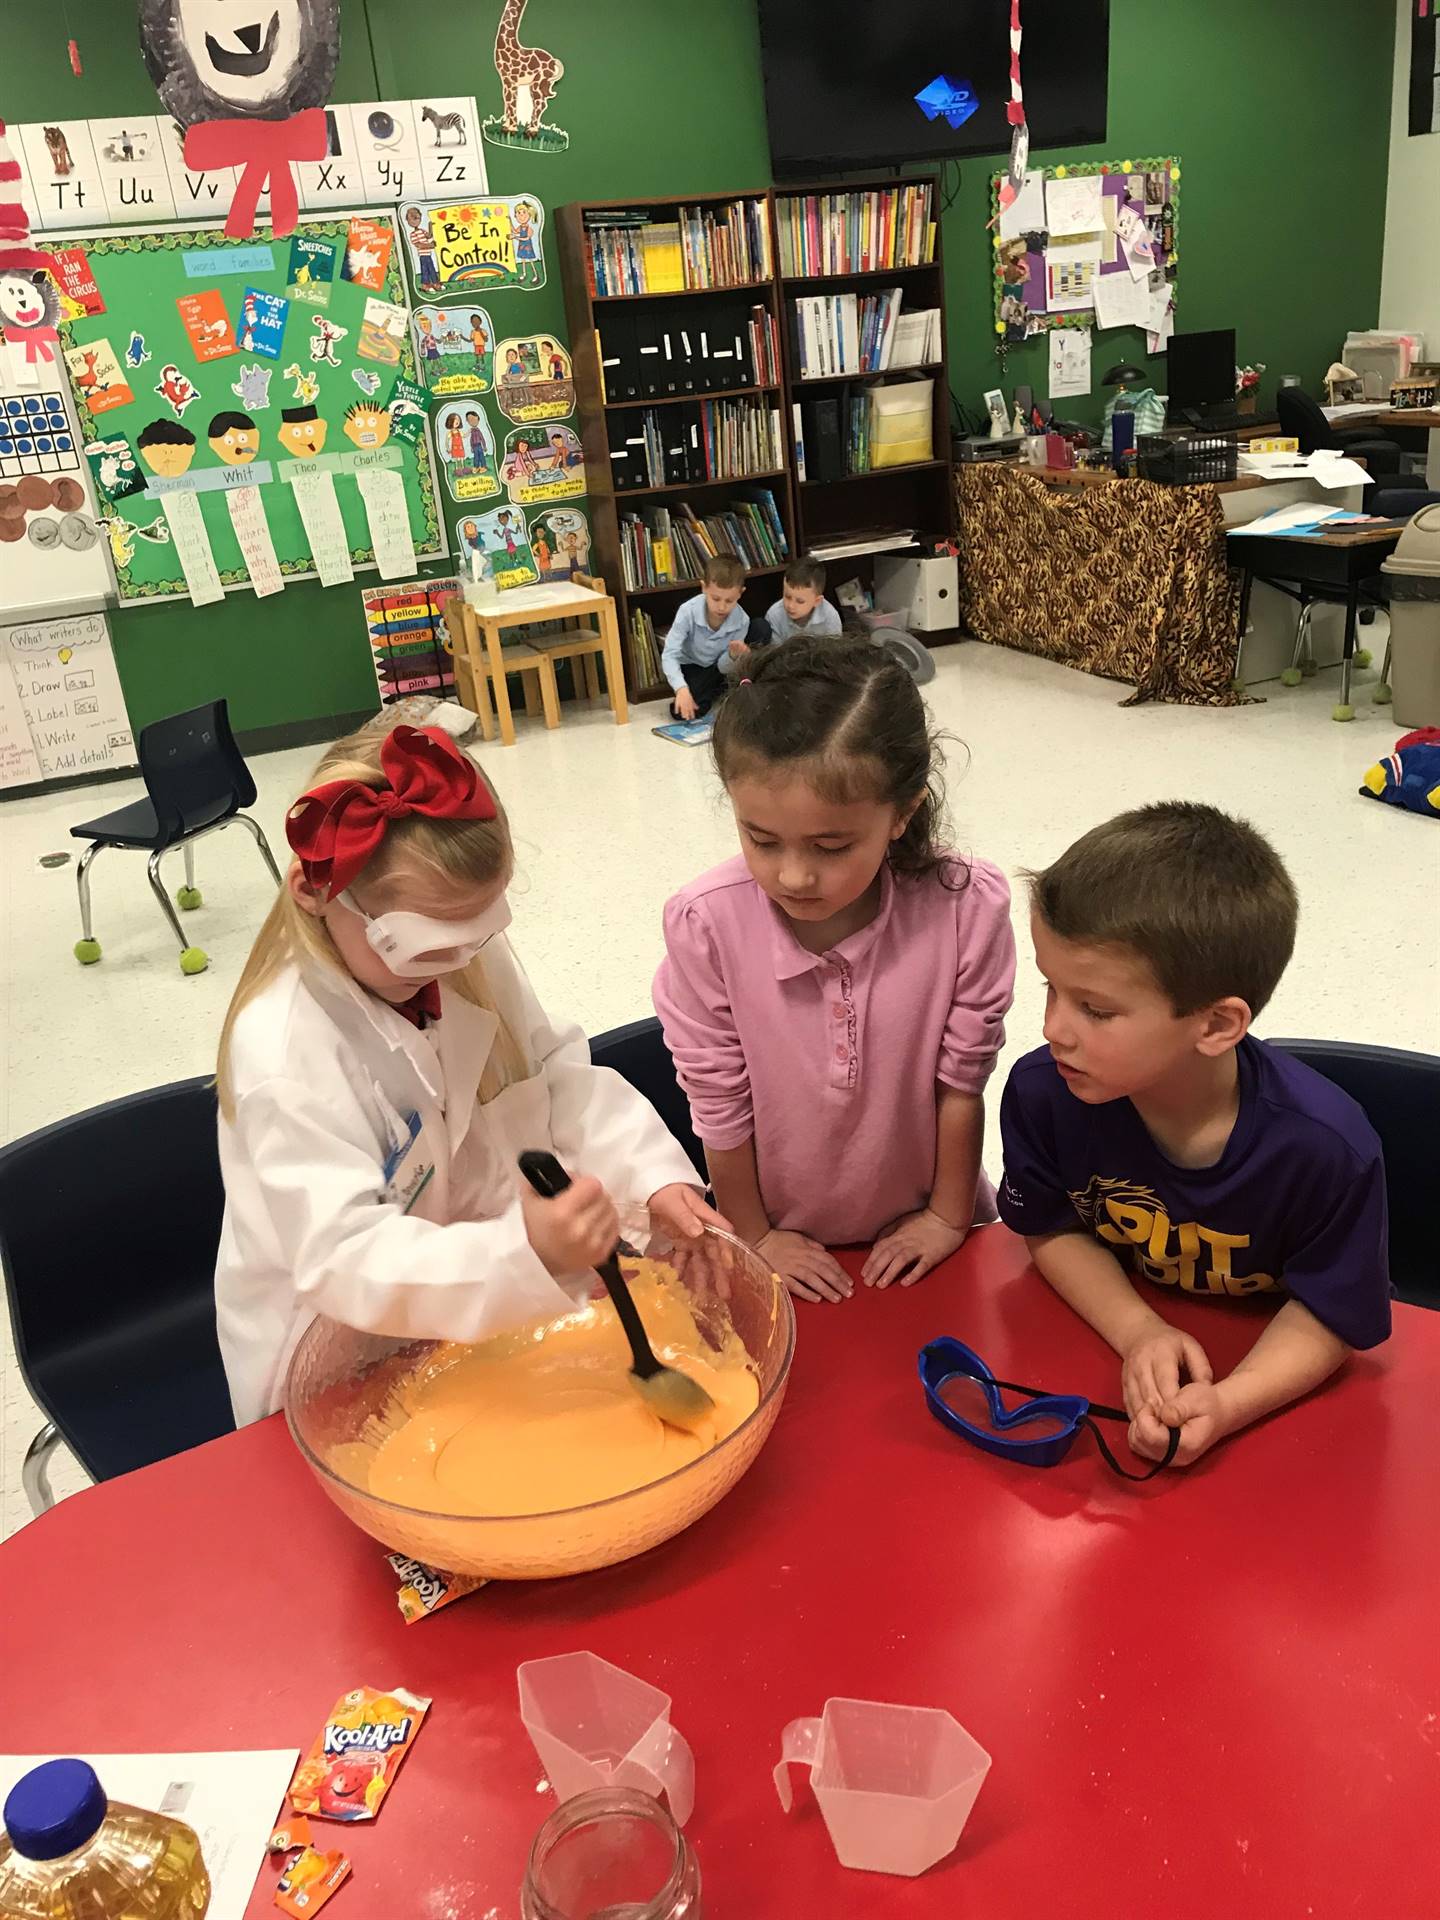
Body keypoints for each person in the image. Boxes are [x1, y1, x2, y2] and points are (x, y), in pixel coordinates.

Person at [214, 723, 724, 1427]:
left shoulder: (453, 949)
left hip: (476, 1327)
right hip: (345, 1360)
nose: (457, 965)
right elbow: (343, 1258)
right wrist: (525, 1252)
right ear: (313, 890)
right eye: (425, 946)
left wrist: (650, 1174)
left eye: (478, 934)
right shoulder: (283, 1053)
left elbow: (549, 1075)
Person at [998, 802, 1391, 1469]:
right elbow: (1052, 1226)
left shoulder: (1328, 1151)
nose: (1053, 1029)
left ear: (1215, 1026)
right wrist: (1138, 1331)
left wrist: (1232, 1403)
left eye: (1095, 1009)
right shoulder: (1044, 1094)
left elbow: (1330, 1309)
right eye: (1050, 988)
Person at [654, 639, 1015, 1303]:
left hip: (930, 1227)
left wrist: (946, 1215)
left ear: (902, 814)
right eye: (760, 839)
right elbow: (718, 1103)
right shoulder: (706, 925)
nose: (793, 874)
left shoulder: (967, 907)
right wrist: (754, 1236)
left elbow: (963, 1081)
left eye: (831, 846)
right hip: (772, 1237)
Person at [662, 555, 749, 722]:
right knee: (681, 712)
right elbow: (669, 654)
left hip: (718, 668)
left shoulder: (742, 620)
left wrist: (733, 655)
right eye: (715, 599)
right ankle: (714, 692)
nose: (722, 607)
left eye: (729, 600)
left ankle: (717, 691)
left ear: (740, 593)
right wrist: (681, 689)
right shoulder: (688, 611)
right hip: (690, 666)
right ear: (704, 588)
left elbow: (723, 667)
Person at [762, 557, 844, 645]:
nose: (791, 606)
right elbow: (775, 654)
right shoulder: (774, 615)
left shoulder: (830, 616)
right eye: (787, 597)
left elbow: (834, 651)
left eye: (800, 601)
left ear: (817, 601)